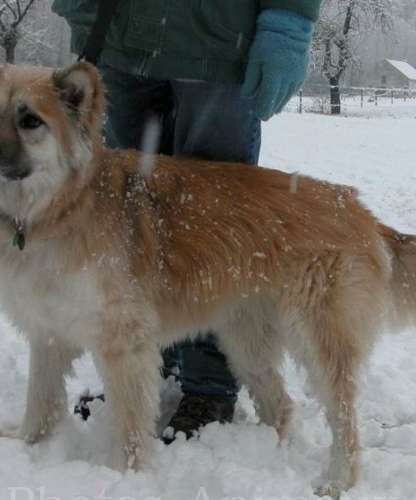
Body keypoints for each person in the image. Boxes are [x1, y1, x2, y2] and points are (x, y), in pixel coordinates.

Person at [51, 0, 321, 442]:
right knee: (126, 217)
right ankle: (144, 363)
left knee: (213, 222)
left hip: (218, 42)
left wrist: (289, 19)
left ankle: (209, 384)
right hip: (120, 34)